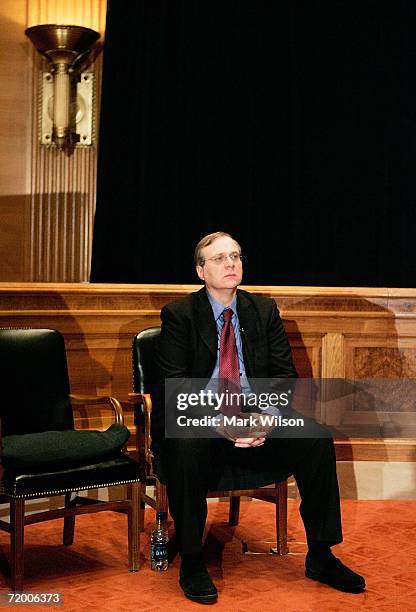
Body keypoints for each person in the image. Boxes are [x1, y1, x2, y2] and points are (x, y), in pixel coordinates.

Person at [152, 231, 365, 604]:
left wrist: (263, 418)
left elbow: (284, 376)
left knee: (315, 438)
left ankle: (321, 555)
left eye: (235, 256)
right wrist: (224, 424)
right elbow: (174, 386)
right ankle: (192, 559)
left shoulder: (263, 310)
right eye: (219, 258)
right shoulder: (180, 314)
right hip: (203, 420)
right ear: (201, 271)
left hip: (255, 416)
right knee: (185, 444)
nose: (231, 263)